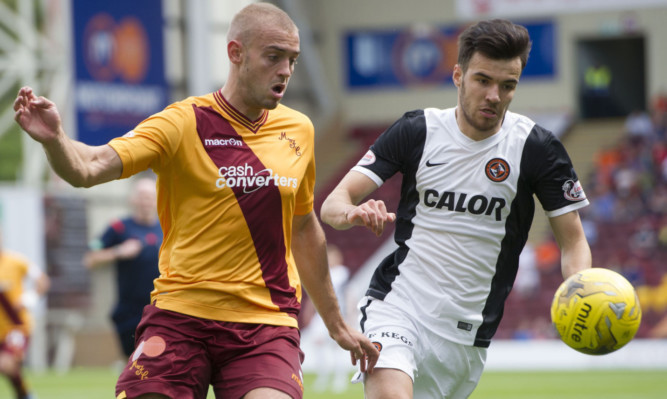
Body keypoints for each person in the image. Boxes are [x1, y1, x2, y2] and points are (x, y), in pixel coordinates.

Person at [14, 3, 377, 399]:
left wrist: (336, 324)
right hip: (180, 316)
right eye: (274, 57)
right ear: (235, 53)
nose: (286, 71)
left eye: (292, 60)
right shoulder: (182, 123)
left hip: (264, 324)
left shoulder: (299, 130)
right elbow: (88, 167)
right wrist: (56, 140)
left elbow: (304, 227)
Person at [321, 19, 592, 399]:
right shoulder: (417, 130)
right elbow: (333, 203)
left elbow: (573, 242)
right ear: (458, 76)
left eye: (507, 85)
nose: (494, 95)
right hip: (398, 306)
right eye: (483, 80)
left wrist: (581, 291)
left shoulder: (536, 148)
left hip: (467, 337)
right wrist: (351, 213)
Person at [83, 176, 162, 358]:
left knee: (155, 362)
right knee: (136, 363)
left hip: (160, 309)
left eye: (150, 196)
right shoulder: (118, 228)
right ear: (133, 199)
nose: (146, 201)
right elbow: (90, 257)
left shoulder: (166, 228)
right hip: (129, 313)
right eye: (142, 196)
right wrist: (118, 251)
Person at [0, 227, 50, 399]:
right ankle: (25, 394)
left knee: (6, 364)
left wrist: (29, 298)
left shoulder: (17, 261)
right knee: (9, 369)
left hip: (16, 326)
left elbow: (42, 281)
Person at [301, 244, 351, 393]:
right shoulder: (321, 273)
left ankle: (339, 379)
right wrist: (308, 312)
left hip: (337, 315)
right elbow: (314, 295)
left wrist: (349, 315)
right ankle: (323, 377)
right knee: (318, 346)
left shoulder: (342, 273)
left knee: (338, 347)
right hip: (321, 316)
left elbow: (348, 294)